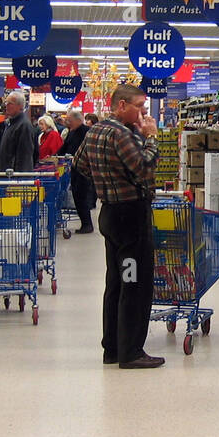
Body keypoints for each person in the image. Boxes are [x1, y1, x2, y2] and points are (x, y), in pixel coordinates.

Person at [73, 85, 163, 369]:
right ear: (121, 105)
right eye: (139, 106)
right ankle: (131, 352)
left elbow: (79, 164)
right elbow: (145, 167)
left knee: (116, 282)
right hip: (131, 218)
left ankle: (112, 348)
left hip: (110, 215)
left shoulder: (95, 131)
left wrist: (107, 179)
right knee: (134, 283)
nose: (143, 113)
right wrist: (152, 137)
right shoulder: (122, 134)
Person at [60, 109, 95, 233]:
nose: (67, 122)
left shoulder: (87, 132)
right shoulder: (72, 132)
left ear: (78, 120)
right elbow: (65, 147)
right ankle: (85, 224)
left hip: (83, 170)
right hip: (74, 169)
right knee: (77, 196)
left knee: (82, 197)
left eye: (70, 120)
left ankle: (87, 224)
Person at [0, 90, 37, 173]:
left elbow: (24, 157)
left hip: (14, 177)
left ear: (20, 106)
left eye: (10, 103)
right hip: (7, 174)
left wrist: (19, 178)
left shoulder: (23, 125)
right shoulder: (11, 124)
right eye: (6, 103)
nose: (6, 105)